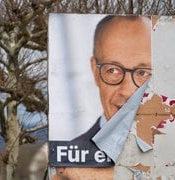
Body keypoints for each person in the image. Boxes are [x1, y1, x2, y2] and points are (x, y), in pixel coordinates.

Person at [51, 15, 152, 179]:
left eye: (143, 73)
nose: (127, 91)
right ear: (95, 72)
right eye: (112, 70)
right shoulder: (67, 161)